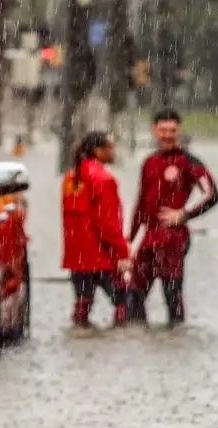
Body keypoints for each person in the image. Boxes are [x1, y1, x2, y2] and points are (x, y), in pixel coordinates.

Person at [126, 109, 218, 326]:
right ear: (154, 131)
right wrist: (129, 239)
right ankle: (138, 344)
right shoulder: (149, 162)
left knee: (172, 294)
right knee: (132, 295)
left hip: (172, 239)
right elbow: (141, 202)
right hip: (149, 237)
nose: (167, 135)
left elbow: (212, 194)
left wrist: (185, 214)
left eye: (172, 130)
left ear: (179, 130)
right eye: (163, 130)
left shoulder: (189, 161)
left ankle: (175, 339)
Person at [61, 130, 132, 328]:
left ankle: (81, 343)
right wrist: (122, 253)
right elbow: (107, 222)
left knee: (82, 306)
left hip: (77, 256)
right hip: (101, 256)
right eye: (110, 147)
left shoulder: (71, 177)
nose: (113, 151)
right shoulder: (103, 179)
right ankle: (118, 343)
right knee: (124, 303)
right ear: (98, 151)